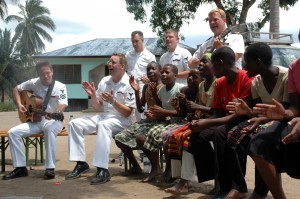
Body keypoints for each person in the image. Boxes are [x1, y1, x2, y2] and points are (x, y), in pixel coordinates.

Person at [224, 42, 289, 199]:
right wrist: (248, 112)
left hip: (284, 121)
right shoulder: (256, 82)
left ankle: (260, 191)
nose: (244, 66)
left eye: (247, 62)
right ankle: (239, 187)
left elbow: (287, 112)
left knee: (257, 141)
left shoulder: (286, 77)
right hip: (263, 121)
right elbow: (257, 113)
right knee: (234, 135)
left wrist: (258, 119)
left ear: (258, 62)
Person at [189, 46, 253, 198]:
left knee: (221, 133)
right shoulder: (221, 82)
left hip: (246, 120)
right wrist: (201, 122)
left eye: (213, 63)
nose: (211, 67)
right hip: (227, 121)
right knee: (197, 135)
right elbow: (218, 112)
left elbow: (240, 115)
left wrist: (207, 123)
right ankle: (218, 179)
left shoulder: (246, 79)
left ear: (221, 63)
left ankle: (233, 187)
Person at [65, 53, 136, 185]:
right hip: (105, 116)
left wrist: (113, 101)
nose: (110, 64)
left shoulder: (129, 83)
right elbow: (97, 106)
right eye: (109, 61)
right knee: (75, 123)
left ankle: (103, 169)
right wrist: (93, 95)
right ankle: (81, 163)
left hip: (122, 120)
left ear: (122, 66)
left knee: (104, 125)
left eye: (113, 62)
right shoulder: (105, 81)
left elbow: (127, 113)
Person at [248, 43, 300, 198]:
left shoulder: (283, 74)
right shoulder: (294, 67)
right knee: (259, 143)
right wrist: (285, 114)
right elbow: (296, 106)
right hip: (296, 120)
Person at [3, 61, 68, 180]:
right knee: (13, 132)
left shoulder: (60, 86)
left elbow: (63, 104)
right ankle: (20, 168)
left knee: (49, 130)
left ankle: (50, 168)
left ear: (52, 72)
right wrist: (19, 104)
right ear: (38, 74)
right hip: (36, 120)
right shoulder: (33, 83)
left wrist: (56, 113)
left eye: (48, 73)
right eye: (42, 74)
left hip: (54, 121)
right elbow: (16, 89)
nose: (46, 76)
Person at [164, 53, 217, 194]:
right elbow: (196, 108)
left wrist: (197, 108)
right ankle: (180, 179)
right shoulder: (202, 86)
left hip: (214, 121)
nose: (200, 64)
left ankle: (184, 182)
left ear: (214, 65)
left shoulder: (218, 83)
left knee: (188, 139)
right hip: (203, 121)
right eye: (199, 62)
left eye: (204, 62)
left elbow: (218, 111)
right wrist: (188, 108)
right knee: (174, 136)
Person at [138, 64, 185, 182]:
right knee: (150, 133)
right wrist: (154, 94)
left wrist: (163, 111)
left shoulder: (180, 88)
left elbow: (182, 113)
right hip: (168, 121)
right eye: (162, 72)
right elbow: (160, 106)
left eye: (167, 72)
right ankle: (157, 168)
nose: (163, 74)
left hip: (179, 121)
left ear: (175, 76)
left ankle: (169, 170)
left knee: (166, 137)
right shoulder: (162, 90)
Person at [114, 62, 163, 176]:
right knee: (119, 138)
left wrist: (154, 113)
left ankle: (156, 168)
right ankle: (136, 167)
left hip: (161, 121)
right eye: (148, 70)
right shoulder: (146, 87)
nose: (150, 71)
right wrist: (136, 92)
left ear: (160, 71)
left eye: (153, 69)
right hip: (148, 122)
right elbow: (140, 109)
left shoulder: (164, 87)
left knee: (141, 138)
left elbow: (165, 109)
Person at [126, 30, 156, 122]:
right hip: (130, 86)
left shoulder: (150, 56)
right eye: (132, 41)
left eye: (136, 41)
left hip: (143, 87)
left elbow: (155, 74)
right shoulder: (128, 55)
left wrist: (149, 80)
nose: (134, 44)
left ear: (142, 40)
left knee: (142, 112)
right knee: (129, 111)